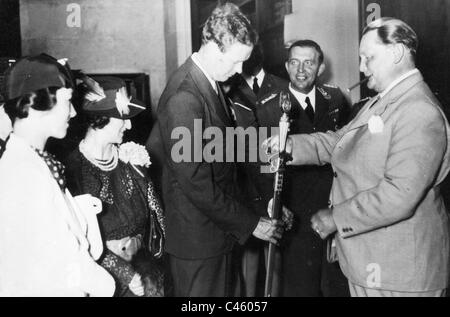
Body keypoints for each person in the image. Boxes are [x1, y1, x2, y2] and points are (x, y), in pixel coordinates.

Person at [264, 18, 450, 297]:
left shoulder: (418, 110)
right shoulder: (382, 101)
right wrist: (290, 144)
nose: (361, 68)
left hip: (399, 273)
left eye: (368, 58)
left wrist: (337, 217)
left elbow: (399, 194)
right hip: (374, 262)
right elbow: (340, 141)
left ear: (397, 53)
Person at [146, 2, 283, 297]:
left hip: (215, 234)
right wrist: (250, 222)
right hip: (198, 242)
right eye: (235, 61)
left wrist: (260, 202)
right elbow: (197, 183)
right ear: (212, 46)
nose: (239, 71)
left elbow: (224, 159)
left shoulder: (209, 82)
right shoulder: (185, 96)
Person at [0, 54, 115, 296]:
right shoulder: (24, 173)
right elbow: (56, 264)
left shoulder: (34, 162)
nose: (73, 113)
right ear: (34, 102)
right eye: (67, 101)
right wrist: (105, 284)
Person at [257, 39, 350, 297]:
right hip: (293, 212)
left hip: (331, 205)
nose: (301, 69)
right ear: (287, 67)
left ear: (320, 67)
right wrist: (272, 202)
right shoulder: (268, 107)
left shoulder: (337, 100)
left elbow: (346, 150)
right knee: (301, 288)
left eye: (309, 62)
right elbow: (263, 164)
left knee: (336, 285)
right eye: (295, 62)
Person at [66, 76, 165, 297]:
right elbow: (79, 241)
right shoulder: (73, 171)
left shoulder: (131, 158)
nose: (129, 125)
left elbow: (157, 219)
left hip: (146, 275)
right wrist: (126, 274)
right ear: (99, 119)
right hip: (103, 281)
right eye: (123, 118)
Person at [226, 44, 288, 297]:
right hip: (243, 177)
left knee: (275, 247)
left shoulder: (282, 86)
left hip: (273, 176)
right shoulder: (230, 85)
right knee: (248, 247)